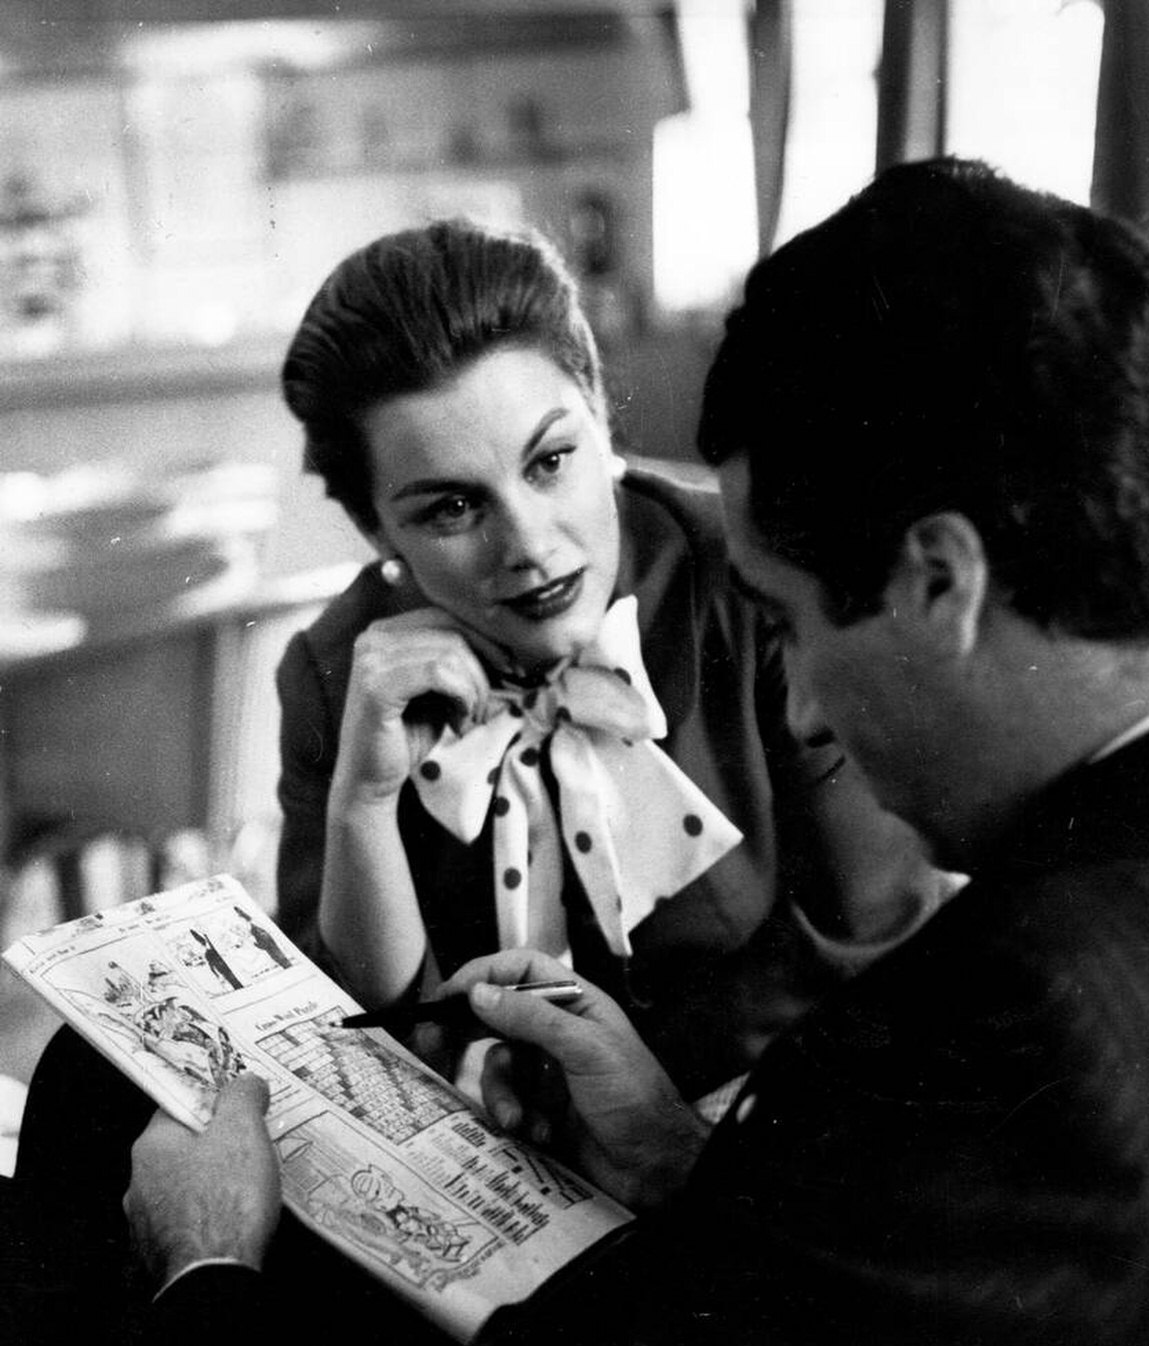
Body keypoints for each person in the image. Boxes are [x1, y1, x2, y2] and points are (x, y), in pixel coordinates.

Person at [12, 159, 1149, 1346]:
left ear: (941, 580)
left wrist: (209, 1268)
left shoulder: (1032, 1032)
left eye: (798, 624)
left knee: (83, 1149)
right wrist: (697, 1171)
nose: (810, 713)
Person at [272, 217, 941, 1097]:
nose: (529, 544)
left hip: (779, 1117)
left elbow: (876, 934)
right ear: (375, 530)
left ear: (600, 418)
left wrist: (608, 1089)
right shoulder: (334, 672)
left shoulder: (756, 578)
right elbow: (351, 1034)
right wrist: (363, 802)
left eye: (550, 461)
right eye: (450, 509)